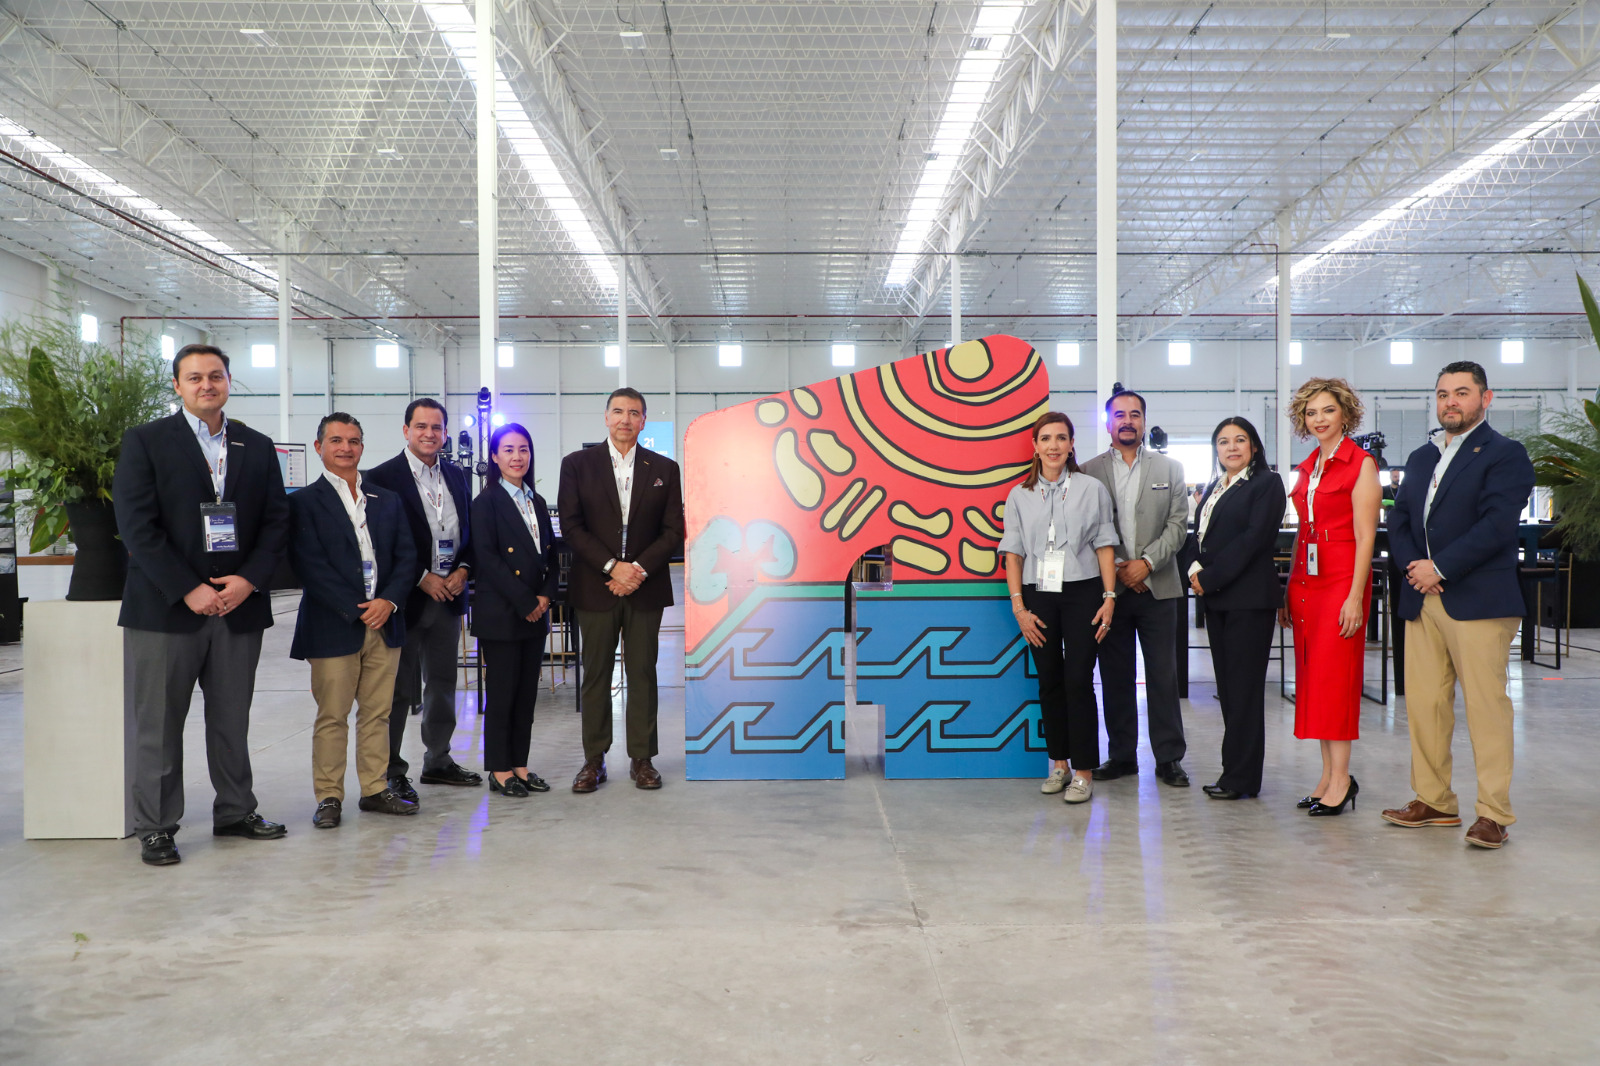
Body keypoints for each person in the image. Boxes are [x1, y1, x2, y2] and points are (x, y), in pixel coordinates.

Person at [113, 343, 290, 866]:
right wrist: (188, 587)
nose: (206, 385)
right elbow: (137, 528)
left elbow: (277, 522)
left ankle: (235, 810)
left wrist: (249, 581)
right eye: (195, 378)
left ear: (229, 381)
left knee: (232, 718)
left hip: (238, 606)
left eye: (215, 376)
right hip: (166, 609)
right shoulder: (145, 442)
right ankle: (157, 825)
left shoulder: (256, 447)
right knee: (160, 723)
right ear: (177, 386)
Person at [1383, 362, 1534, 849]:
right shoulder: (1422, 456)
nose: (1451, 401)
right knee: (1425, 705)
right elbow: (1401, 518)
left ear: (1485, 399)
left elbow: (1496, 527)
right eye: (1443, 393)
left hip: (1477, 599)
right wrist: (1414, 568)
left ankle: (1493, 813)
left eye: (1462, 393)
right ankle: (1433, 801)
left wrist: (1440, 568)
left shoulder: (1506, 455)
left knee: (1486, 708)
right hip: (1421, 596)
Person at [288, 414, 419, 827]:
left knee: (378, 713)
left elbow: (406, 557)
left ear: (363, 447)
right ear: (318, 446)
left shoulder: (386, 499)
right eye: (336, 440)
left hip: (386, 622)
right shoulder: (303, 503)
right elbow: (311, 566)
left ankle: (376, 788)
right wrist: (358, 608)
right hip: (334, 625)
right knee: (333, 715)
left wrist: (389, 602)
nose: (346, 448)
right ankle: (329, 796)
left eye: (354, 441)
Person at [558, 388, 685, 792]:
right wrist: (614, 567)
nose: (625, 419)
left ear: (644, 421)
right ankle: (593, 761)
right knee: (596, 674)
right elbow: (572, 526)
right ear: (606, 418)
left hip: (646, 588)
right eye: (618, 411)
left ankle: (642, 759)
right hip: (597, 586)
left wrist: (639, 569)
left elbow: (673, 532)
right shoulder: (577, 465)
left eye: (634, 413)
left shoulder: (664, 467)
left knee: (644, 673)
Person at [998, 412, 1119, 804]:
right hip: (1038, 593)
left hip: (1084, 591)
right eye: (1046, 438)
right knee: (1048, 679)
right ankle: (1059, 764)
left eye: (1061, 438)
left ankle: (1084, 771)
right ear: (1035, 446)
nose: (1053, 446)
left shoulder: (1091, 488)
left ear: (1071, 445)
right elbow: (1013, 554)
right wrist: (1019, 607)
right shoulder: (1020, 495)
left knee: (1079, 680)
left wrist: (1109, 597)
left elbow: (1104, 544)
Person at [364, 398, 481, 798]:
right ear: (405, 431)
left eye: (436, 427)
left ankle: (439, 759)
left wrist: (463, 570)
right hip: (405, 601)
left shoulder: (456, 475)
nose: (429, 433)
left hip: (448, 599)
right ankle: (392, 770)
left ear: (445, 433)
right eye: (421, 427)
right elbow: (378, 544)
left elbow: (468, 533)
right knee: (397, 690)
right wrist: (420, 578)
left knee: (444, 682)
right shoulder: (380, 478)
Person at [1081, 389, 1192, 787]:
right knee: (1115, 676)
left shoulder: (1171, 469)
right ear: (1107, 423)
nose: (1127, 421)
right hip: (1110, 594)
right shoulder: (1088, 471)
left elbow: (1178, 527)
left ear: (1144, 421)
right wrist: (1121, 572)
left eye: (1135, 414)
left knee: (1164, 677)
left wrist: (1145, 565)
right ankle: (1122, 756)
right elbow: (1087, 529)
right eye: (1119, 415)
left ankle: (1168, 759)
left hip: (1158, 588)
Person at [1280, 378, 1380, 817]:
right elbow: (1303, 533)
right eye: (1311, 413)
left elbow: (1366, 537)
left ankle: (1342, 779)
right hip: (1306, 583)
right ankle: (1326, 776)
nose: (1319, 419)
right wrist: (1288, 589)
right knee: (1315, 682)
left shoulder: (1361, 465)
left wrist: (1355, 596)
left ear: (1346, 414)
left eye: (1327, 410)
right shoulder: (1307, 467)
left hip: (1341, 580)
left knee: (1336, 681)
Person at [1188, 417, 1286, 800]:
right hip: (1218, 600)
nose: (1231, 447)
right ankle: (1232, 772)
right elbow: (1198, 536)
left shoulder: (1267, 483)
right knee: (1228, 691)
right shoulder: (1215, 487)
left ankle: (1242, 779)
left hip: (1248, 601)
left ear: (1254, 447)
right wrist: (1195, 569)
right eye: (1223, 441)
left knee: (1244, 691)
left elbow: (1253, 540)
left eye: (1239, 440)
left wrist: (1209, 577)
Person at [470, 423, 560, 798]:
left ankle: (520, 765)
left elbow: (551, 556)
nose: (517, 457)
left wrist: (545, 596)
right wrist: (526, 602)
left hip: (534, 612)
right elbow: (487, 559)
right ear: (494, 457)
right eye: (508, 450)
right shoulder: (485, 502)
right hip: (503, 612)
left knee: (526, 695)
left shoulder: (536, 501)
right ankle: (499, 768)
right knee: (503, 694)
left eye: (523, 449)